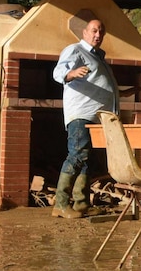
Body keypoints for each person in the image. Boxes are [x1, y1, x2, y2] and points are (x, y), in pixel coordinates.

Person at [51, 19, 119, 218]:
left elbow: (99, 84)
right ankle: (61, 204)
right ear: (85, 32)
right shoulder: (76, 50)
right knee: (77, 155)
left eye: (101, 32)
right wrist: (71, 73)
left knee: (87, 160)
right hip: (81, 114)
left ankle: (81, 203)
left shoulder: (98, 57)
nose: (98, 35)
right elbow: (58, 72)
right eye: (94, 31)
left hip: (97, 118)